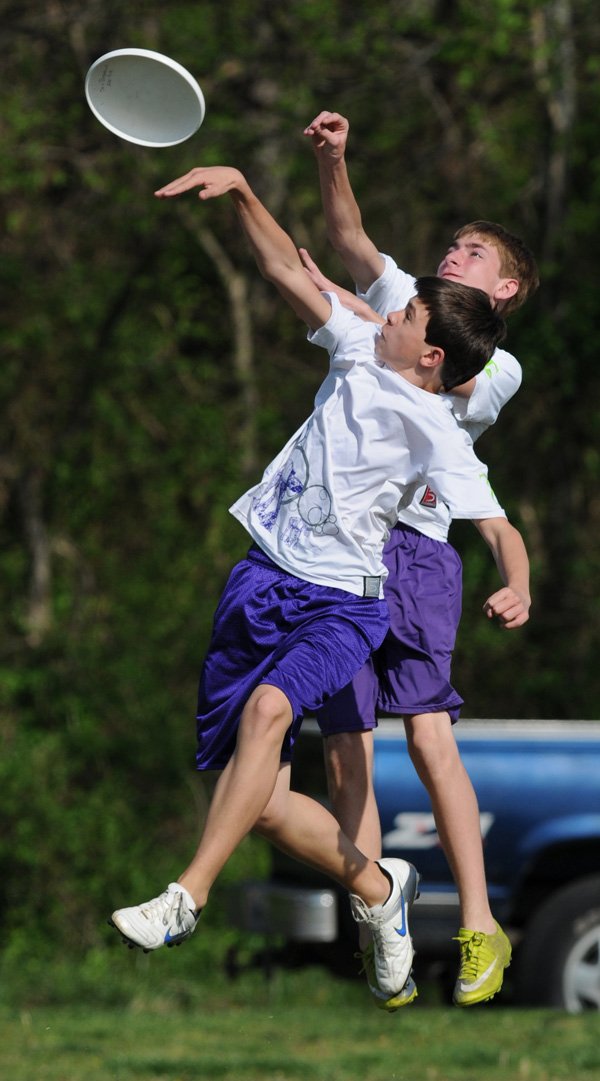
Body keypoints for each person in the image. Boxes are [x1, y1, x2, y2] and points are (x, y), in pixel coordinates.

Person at [110, 163, 516, 1006]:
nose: (392, 308)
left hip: (348, 598)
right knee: (258, 799)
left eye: (405, 312)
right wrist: (245, 190)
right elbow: (293, 266)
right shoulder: (365, 340)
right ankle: (378, 889)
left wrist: (518, 579)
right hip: (261, 579)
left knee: (328, 719)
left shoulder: (444, 412)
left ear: (432, 345)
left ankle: (188, 894)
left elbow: (495, 516)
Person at [300, 110, 538, 1008]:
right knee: (342, 748)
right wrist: (334, 161)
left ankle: (480, 917)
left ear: (506, 289)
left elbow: (443, 368)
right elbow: (349, 233)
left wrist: (345, 311)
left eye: (476, 254)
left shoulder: (494, 363)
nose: (455, 254)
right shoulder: (400, 290)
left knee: (429, 734)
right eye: (454, 244)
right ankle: (380, 917)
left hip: (420, 553)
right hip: (341, 543)